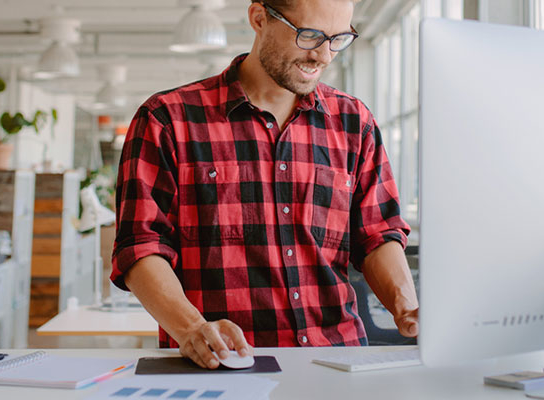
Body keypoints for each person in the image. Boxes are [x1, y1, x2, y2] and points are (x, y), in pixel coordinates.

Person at [111, 0, 417, 369]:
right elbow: (140, 247)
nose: (323, 55)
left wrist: (409, 310)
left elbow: (377, 234)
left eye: (338, 39)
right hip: (223, 364)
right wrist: (192, 328)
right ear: (259, 19)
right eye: (310, 36)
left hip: (338, 361)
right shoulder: (167, 120)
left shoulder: (354, 122)